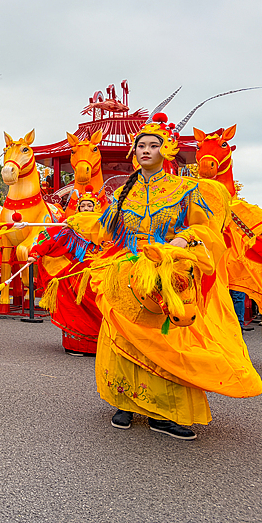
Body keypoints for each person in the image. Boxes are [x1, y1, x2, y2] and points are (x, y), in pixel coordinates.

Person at [62, 113, 262, 440]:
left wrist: (184, 239)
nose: (145, 150)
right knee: (120, 337)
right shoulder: (123, 193)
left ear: (166, 150)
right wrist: (77, 224)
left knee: (168, 339)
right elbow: (106, 229)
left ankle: (167, 412)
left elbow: (204, 228)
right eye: (140, 145)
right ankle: (125, 402)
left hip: (167, 272)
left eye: (153, 145)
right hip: (127, 270)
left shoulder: (184, 190)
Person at [28, 185, 103, 356]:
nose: (86, 209)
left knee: (99, 306)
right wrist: (36, 252)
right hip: (74, 275)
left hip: (97, 273)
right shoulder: (71, 224)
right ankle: (76, 345)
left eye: (89, 206)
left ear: (96, 207)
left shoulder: (104, 223)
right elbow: (54, 237)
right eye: (83, 206)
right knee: (74, 308)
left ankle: (99, 343)